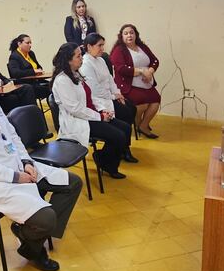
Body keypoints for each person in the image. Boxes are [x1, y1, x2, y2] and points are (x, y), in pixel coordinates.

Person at [0, 56, 82, 271]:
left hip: (17, 164)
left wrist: (26, 161)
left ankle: (30, 241)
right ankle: (36, 244)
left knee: (73, 183)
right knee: (47, 218)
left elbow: (11, 136)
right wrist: (15, 176)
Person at [51, 43, 127, 179]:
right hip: (79, 121)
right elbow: (75, 109)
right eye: (78, 56)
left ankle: (102, 157)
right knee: (118, 136)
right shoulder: (62, 80)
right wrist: (100, 116)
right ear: (68, 59)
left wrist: (103, 110)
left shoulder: (75, 74)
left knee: (125, 128)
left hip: (90, 115)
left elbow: (89, 97)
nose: (82, 58)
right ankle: (107, 164)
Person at [80, 33, 138, 162]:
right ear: (89, 46)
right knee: (125, 112)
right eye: (99, 45)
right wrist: (113, 96)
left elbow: (110, 80)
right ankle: (123, 148)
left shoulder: (101, 60)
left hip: (109, 96)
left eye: (103, 45)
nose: (102, 49)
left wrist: (118, 94)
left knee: (131, 108)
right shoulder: (86, 64)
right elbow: (94, 89)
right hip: (99, 100)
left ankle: (123, 146)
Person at [110, 24, 161, 139]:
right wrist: (142, 71)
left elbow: (155, 60)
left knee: (155, 101)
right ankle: (135, 125)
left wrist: (150, 71)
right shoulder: (119, 50)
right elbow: (120, 68)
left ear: (136, 35)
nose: (129, 35)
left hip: (146, 84)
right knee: (142, 103)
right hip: (128, 86)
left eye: (132, 33)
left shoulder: (142, 46)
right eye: (126, 33)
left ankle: (143, 126)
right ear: (121, 36)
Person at [7, 34, 51, 99]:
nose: (30, 45)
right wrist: (33, 71)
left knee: (53, 84)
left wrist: (39, 71)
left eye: (30, 43)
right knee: (49, 88)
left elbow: (38, 67)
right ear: (19, 44)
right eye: (27, 43)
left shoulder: (31, 53)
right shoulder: (14, 56)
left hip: (36, 81)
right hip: (25, 84)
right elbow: (15, 73)